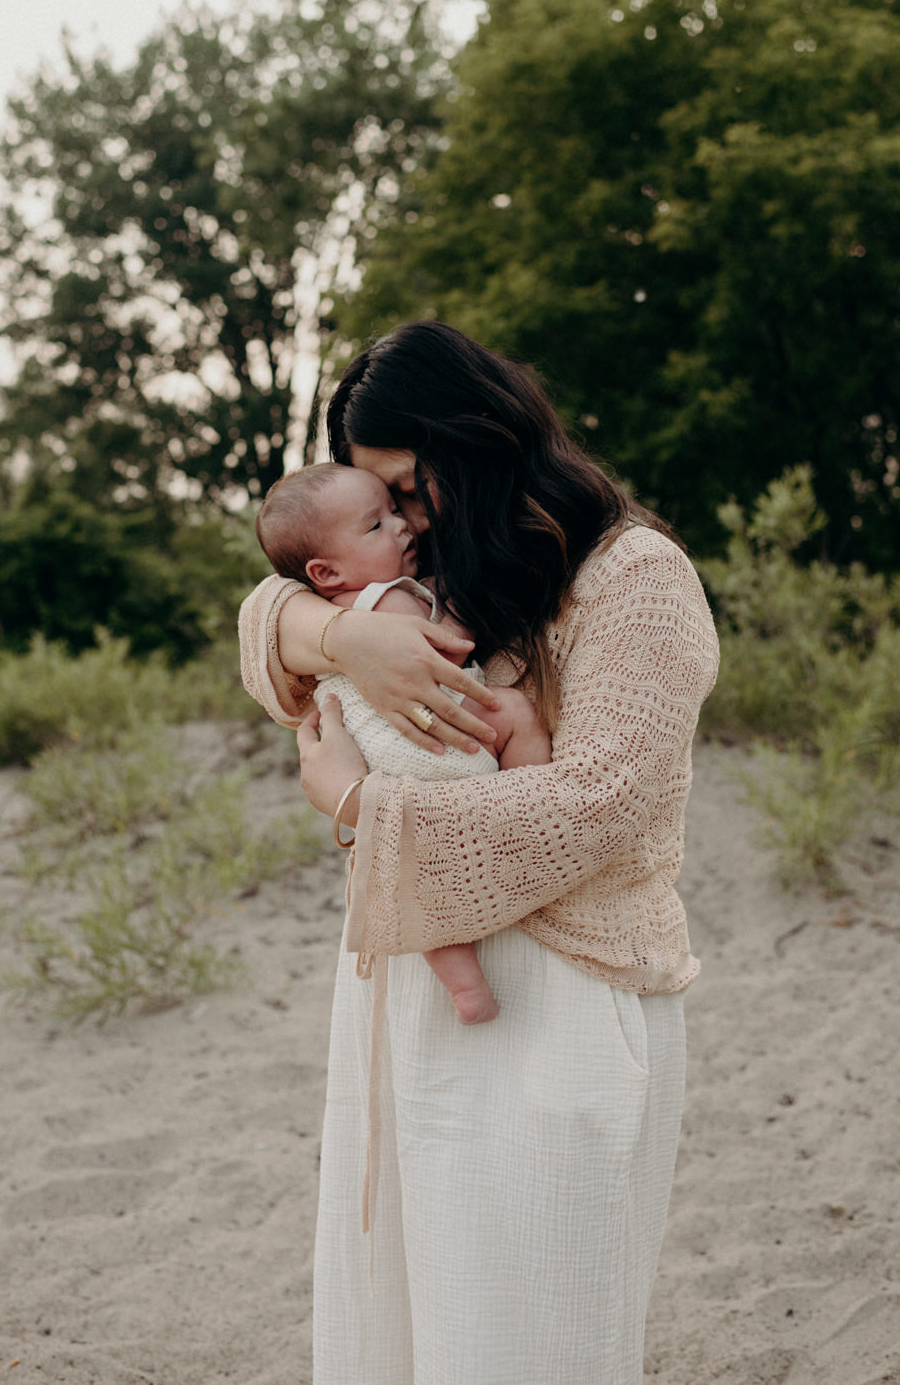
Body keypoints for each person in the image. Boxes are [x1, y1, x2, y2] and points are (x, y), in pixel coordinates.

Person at [238, 320, 719, 1385]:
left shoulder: (635, 577)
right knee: (409, 1325)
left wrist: (361, 803)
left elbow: (590, 806)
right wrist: (340, 635)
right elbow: (266, 613)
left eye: (409, 488)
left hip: (567, 986)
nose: (401, 521)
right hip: (407, 980)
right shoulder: (422, 570)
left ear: (480, 436)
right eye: (381, 501)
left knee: (535, 1334)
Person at [253, 459, 552, 1023]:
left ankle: (466, 990)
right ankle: (529, 788)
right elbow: (452, 644)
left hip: (385, 769)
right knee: (513, 711)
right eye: (376, 525)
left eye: (396, 511)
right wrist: (459, 601)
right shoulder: (388, 604)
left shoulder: (337, 611)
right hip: (428, 746)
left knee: (416, 887)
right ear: (326, 572)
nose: (403, 527)